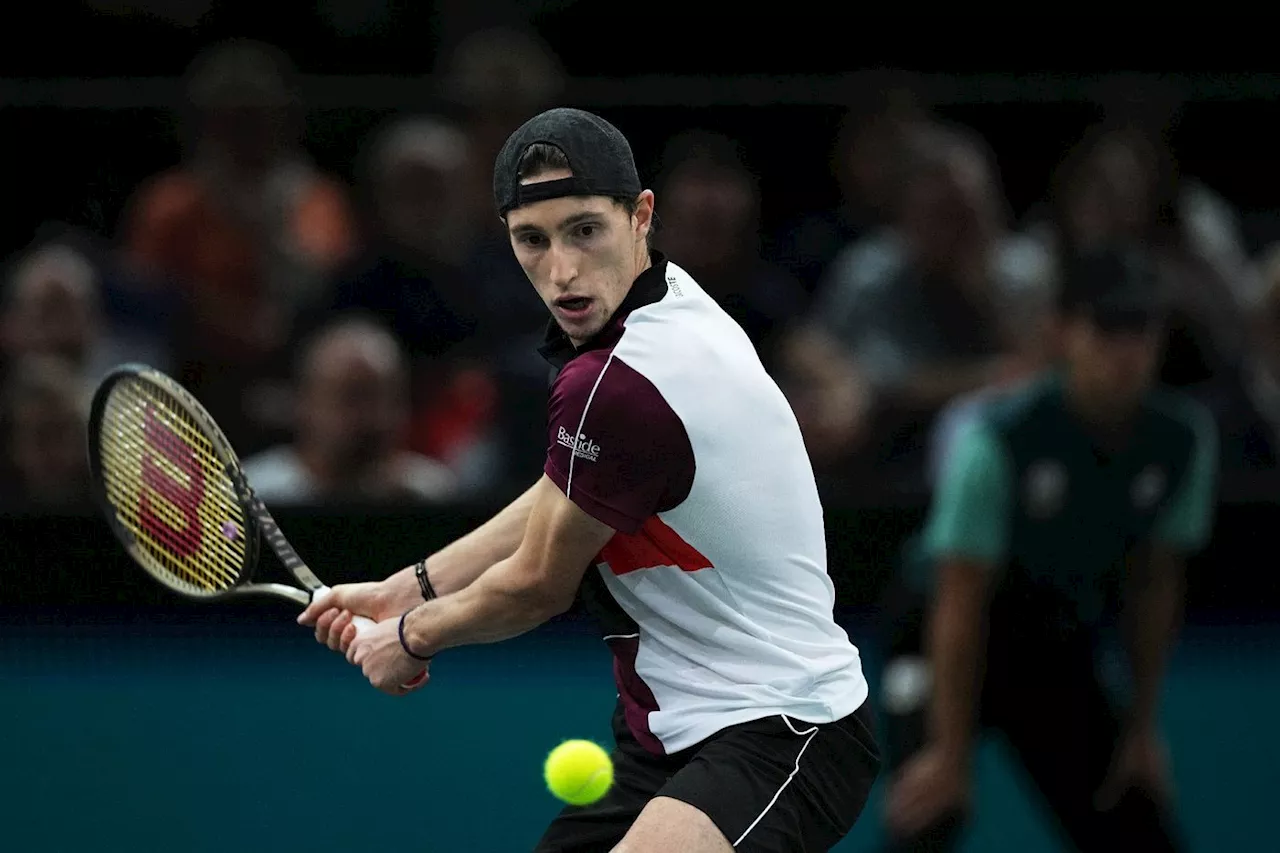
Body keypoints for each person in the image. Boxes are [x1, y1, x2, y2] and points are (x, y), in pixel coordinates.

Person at [298, 107, 880, 852]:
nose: (562, 270)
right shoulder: (671, 299)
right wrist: (404, 587)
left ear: (640, 215)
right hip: (668, 734)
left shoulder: (621, 379)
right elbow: (564, 489)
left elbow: (539, 581)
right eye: (531, 240)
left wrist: (411, 636)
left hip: (781, 725)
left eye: (584, 230)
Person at [877, 245, 1217, 852]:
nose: (1126, 351)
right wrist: (952, 756)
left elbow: (1155, 584)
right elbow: (960, 599)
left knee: (1136, 827)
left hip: (1052, 641)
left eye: (1141, 330)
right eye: (1107, 329)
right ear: (1062, 333)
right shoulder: (998, 440)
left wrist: (1141, 728)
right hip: (936, 633)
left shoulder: (1181, 440)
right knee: (928, 814)